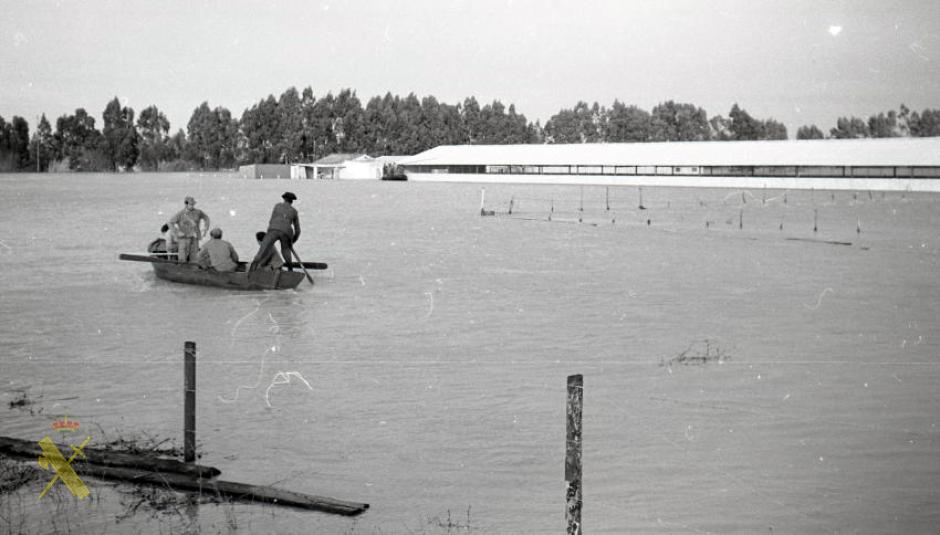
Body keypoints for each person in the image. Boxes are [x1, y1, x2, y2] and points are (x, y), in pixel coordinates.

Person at [250, 192, 300, 272]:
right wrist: (291, 242)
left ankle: (252, 269)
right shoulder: (294, 211)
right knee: (285, 250)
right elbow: (298, 231)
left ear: (284, 199)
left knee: (262, 249)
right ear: (292, 201)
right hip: (286, 232)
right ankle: (290, 270)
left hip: (273, 229)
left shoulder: (277, 206)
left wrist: (268, 235)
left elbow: (271, 221)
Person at [168, 196, 210, 263]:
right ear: (186, 204)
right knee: (182, 258)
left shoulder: (198, 212)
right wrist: (177, 232)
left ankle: (193, 271)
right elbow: (170, 223)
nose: (192, 206)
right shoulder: (180, 214)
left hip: (195, 238)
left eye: (193, 204)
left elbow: (206, 218)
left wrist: (205, 228)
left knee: (194, 259)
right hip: (184, 239)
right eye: (191, 204)